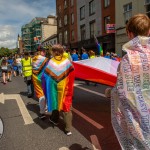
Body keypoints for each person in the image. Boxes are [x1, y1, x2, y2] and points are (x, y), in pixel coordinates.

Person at [106, 14, 150, 149]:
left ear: (129, 33)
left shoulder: (128, 59)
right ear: (149, 32)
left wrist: (109, 92)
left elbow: (122, 92)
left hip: (138, 120)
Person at [42, 44, 75, 136]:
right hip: (65, 88)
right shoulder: (67, 62)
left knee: (55, 102)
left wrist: (46, 87)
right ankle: (68, 129)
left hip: (53, 88)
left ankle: (54, 120)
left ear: (53, 52)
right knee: (66, 106)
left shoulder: (50, 62)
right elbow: (72, 75)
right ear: (62, 52)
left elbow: (44, 77)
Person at [32, 46, 49, 119]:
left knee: (40, 95)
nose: (45, 53)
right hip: (43, 78)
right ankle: (46, 109)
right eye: (44, 52)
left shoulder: (33, 59)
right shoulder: (44, 59)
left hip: (35, 78)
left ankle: (42, 112)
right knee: (46, 93)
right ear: (41, 51)